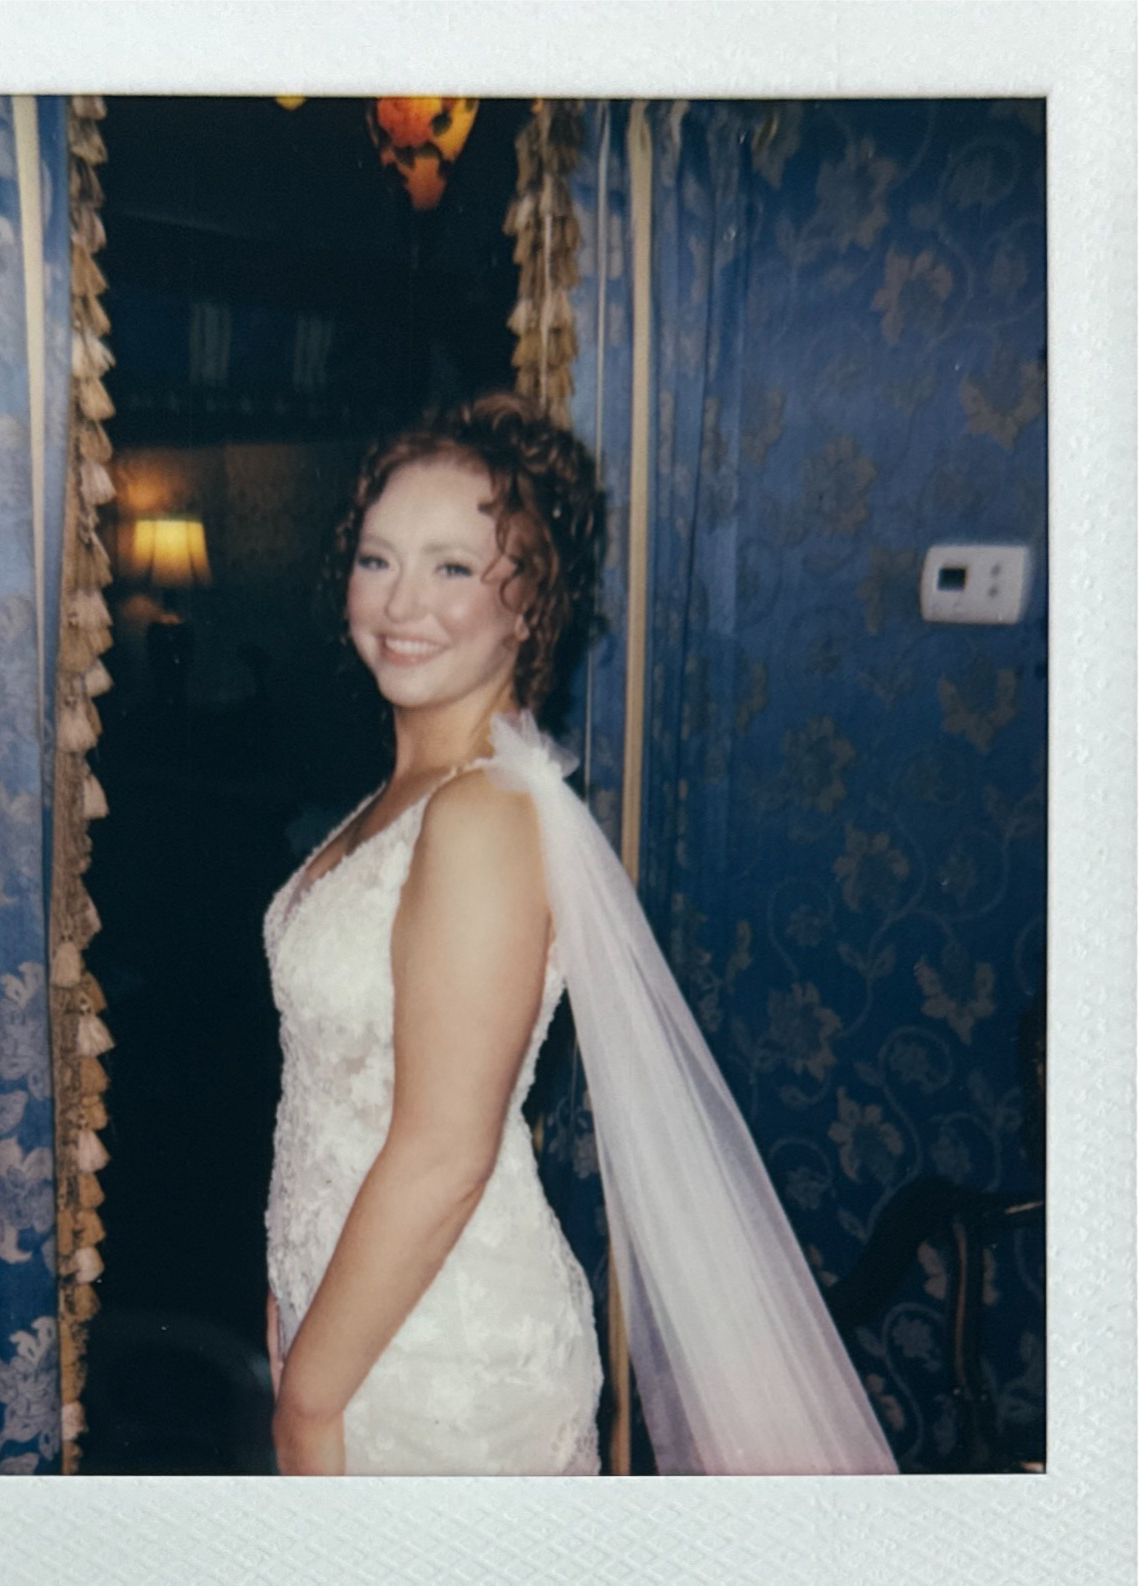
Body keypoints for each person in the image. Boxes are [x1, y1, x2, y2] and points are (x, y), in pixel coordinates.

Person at [262, 392, 898, 1478]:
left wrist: (309, 1402)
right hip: (351, 1315)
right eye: (378, 560)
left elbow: (445, 1152)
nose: (403, 600)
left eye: (454, 568)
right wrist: (289, 1307)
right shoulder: (411, 790)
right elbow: (324, 1094)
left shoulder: (483, 815)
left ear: (528, 605)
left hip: (439, 1351)